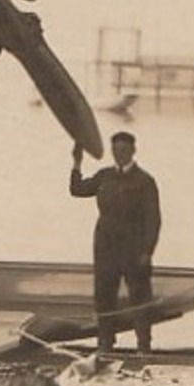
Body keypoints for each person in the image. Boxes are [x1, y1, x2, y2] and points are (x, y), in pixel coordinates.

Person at [69, 131, 162, 353]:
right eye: (116, 151)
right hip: (105, 247)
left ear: (133, 151)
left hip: (134, 248)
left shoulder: (145, 181)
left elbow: (154, 219)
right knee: (103, 296)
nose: (119, 154)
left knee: (139, 297)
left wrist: (148, 251)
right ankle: (105, 344)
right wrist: (76, 164)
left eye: (124, 150)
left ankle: (143, 346)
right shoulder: (104, 176)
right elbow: (77, 190)